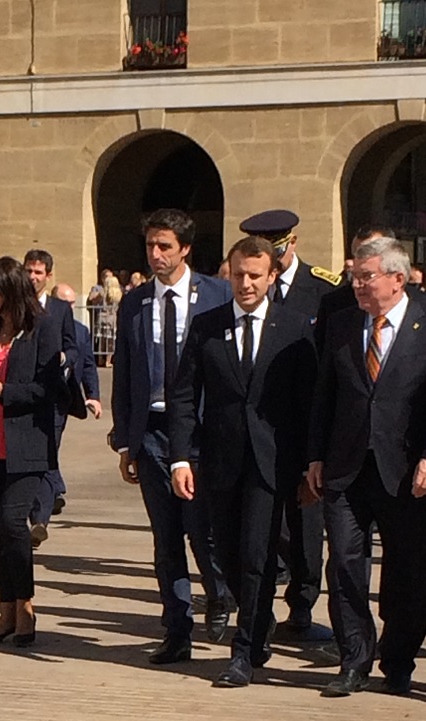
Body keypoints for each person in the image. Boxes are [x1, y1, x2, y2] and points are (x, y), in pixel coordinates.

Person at [170, 236, 318, 688]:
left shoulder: (293, 328)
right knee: (228, 554)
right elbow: (182, 393)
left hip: (272, 463)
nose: (246, 283)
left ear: (272, 276)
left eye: (255, 275)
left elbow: (308, 402)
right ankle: (260, 622)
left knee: (257, 554)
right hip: (221, 458)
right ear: (228, 273)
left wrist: (309, 463)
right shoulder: (207, 325)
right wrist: (180, 457)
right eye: (238, 275)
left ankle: (243, 651)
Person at [110, 208, 230, 665]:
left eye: (165, 247)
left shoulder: (216, 295)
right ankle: (177, 628)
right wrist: (125, 440)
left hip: (201, 432)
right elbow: (124, 371)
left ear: (185, 249)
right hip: (153, 431)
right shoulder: (136, 302)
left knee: (202, 529)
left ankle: (219, 593)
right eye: (150, 247)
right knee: (166, 535)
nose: (156, 255)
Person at [308, 238, 426, 698]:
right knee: (343, 565)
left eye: (366, 276)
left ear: (398, 279)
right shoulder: (341, 324)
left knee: (409, 570)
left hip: (404, 471)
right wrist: (315, 456)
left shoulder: (423, 323)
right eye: (355, 275)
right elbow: (324, 396)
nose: (357, 284)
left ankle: (397, 658)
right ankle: (353, 659)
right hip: (345, 466)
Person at [238, 208, 341, 635]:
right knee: (266, 523)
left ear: (291, 244)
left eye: (276, 249)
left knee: (306, 521)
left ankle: (301, 605)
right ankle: (259, 604)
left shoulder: (323, 289)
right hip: (261, 423)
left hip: (307, 421)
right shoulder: (247, 288)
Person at [0, 256, 67, 648]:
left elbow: (47, 389)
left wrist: (6, 392)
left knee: (11, 522)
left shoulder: (43, 328)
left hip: (27, 444)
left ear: (13, 290)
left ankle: (26, 605)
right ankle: (5, 608)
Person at [23, 249, 79, 546]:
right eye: (29, 271)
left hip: (53, 397)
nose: (33, 277)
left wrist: (64, 360)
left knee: (47, 457)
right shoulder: (15, 305)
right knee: (28, 457)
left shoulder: (59, 309)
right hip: (21, 396)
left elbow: (73, 346)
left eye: (38, 272)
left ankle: (40, 519)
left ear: (48, 275)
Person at [315, 225, 397, 352]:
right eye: (355, 256)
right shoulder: (334, 305)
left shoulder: (420, 307)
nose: (356, 264)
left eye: (366, 256)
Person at [53, 283, 101, 418]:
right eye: (64, 303)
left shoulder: (81, 331)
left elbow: (88, 365)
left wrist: (93, 396)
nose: (69, 308)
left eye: (72, 303)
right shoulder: (42, 326)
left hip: (66, 396)